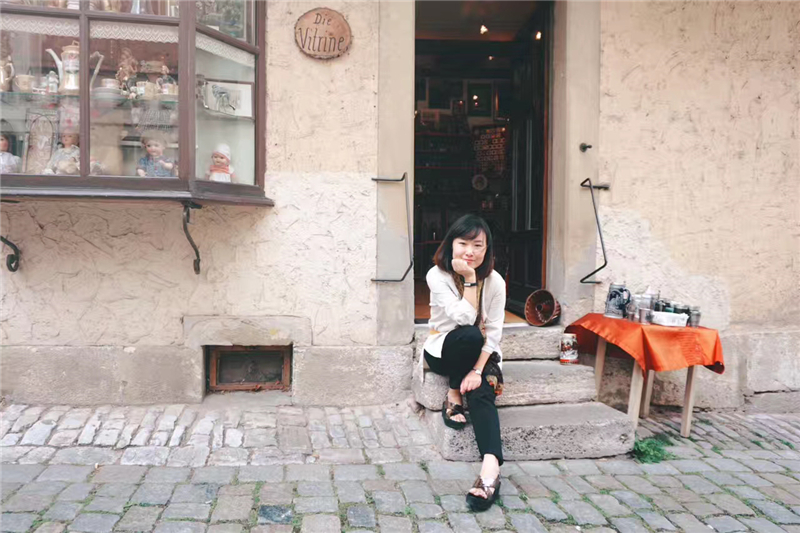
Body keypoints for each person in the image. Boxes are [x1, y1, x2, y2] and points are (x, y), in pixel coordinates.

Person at [423, 214, 506, 512]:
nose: (470, 251)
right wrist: (470, 279)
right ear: (451, 245)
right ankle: (453, 391)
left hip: (479, 355)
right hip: (442, 351)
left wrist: (477, 370)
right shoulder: (437, 275)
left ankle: (490, 470)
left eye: (478, 245)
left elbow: (493, 334)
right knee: (469, 334)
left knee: (482, 389)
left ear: (487, 249)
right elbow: (464, 318)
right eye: (463, 243)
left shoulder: (496, 282)